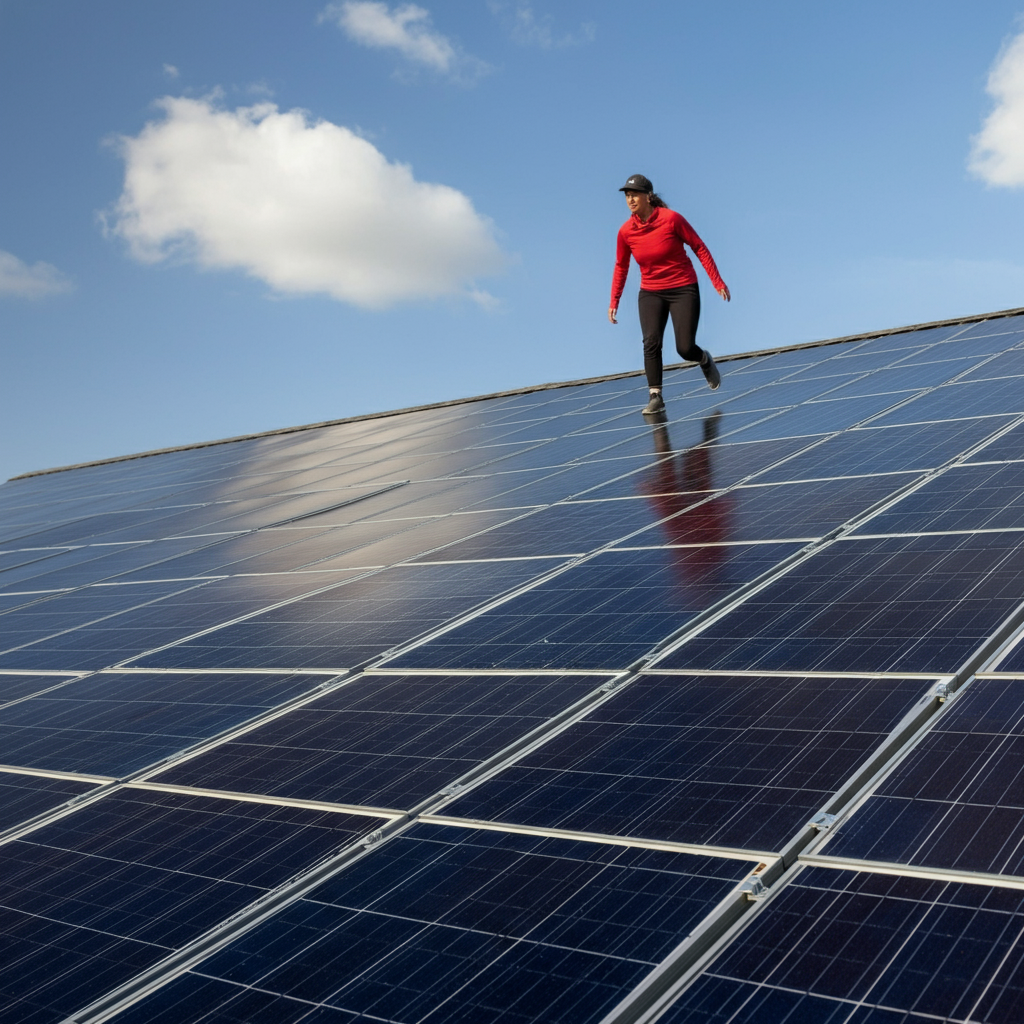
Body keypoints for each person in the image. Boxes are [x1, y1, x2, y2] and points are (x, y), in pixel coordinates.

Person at [608, 174, 731, 416]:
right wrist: (614, 300)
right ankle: (656, 396)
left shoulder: (671, 219)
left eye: (635, 194)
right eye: (627, 195)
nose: (630, 199)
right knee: (651, 342)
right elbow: (621, 266)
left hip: (683, 287)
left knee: (684, 348)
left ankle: (704, 360)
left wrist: (717, 281)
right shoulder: (625, 232)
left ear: (648, 196)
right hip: (651, 292)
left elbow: (699, 247)